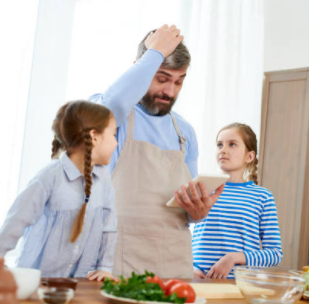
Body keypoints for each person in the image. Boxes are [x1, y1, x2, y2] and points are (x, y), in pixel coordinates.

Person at [90, 25, 224, 278]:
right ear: (140, 69)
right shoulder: (113, 115)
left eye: (179, 82)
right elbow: (113, 104)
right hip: (119, 261)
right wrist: (154, 53)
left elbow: (188, 209)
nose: (170, 92)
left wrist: (198, 212)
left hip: (173, 264)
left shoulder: (184, 132)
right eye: (161, 79)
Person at [0, 101, 118, 280]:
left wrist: (105, 267)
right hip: (39, 281)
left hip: (80, 282)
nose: (116, 143)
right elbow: (16, 221)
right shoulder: (50, 177)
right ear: (94, 136)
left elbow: (109, 226)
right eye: (113, 135)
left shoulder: (104, 179)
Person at [189, 123, 283, 279]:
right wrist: (189, 266)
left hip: (240, 285)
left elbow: (274, 253)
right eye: (219, 145)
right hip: (198, 281)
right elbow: (179, 232)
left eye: (232, 144)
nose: (223, 150)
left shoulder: (262, 197)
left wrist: (233, 258)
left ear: (249, 156)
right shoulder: (202, 190)